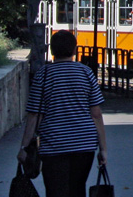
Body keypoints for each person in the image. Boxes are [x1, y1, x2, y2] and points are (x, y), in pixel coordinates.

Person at [17, 29, 106, 197]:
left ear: (52, 51)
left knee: (55, 191)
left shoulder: (43, 75)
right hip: (84, 146)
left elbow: (35, 115)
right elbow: (96, 114)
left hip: (54, 145)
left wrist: (24, 148)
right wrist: (103, 149)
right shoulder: (86, 73)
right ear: (74, 50)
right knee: (77, 189)